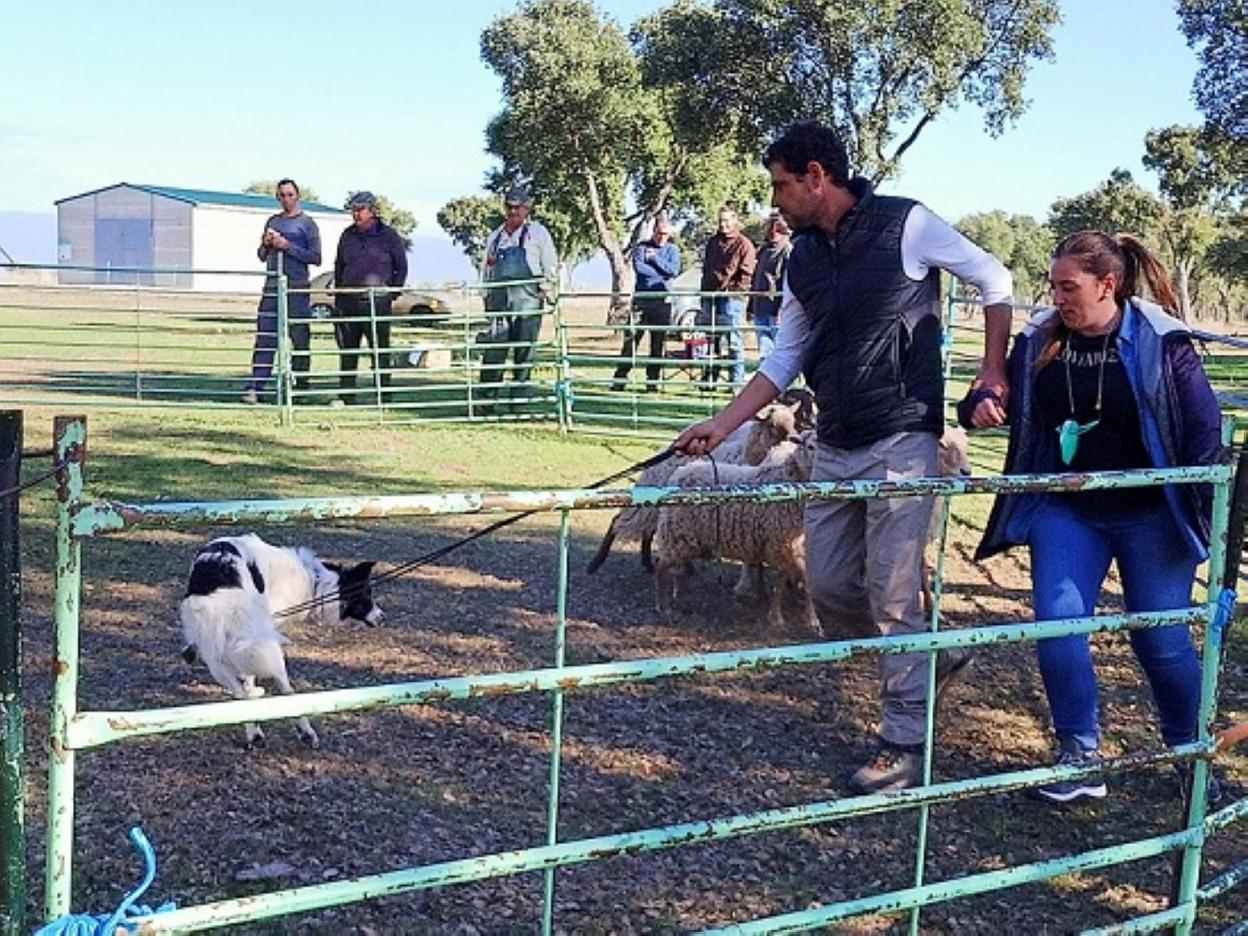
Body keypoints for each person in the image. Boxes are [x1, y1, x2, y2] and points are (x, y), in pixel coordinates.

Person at [673, 121, 1014, 794]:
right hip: (834, 441)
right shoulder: (801, 258)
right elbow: (783, 356)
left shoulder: (905, 225)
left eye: (780, 185)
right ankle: (927, 657)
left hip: (903, 438)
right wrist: (721, 423)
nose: (776, 200)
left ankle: (900, 742)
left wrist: (992, 370)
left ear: (816, 177)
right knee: (828, 584)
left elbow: (994, 277)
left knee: (892, 593)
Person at [959, 231, 1222, 804]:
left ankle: (1191, 755)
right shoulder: (1041, 338)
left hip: (1151, 510)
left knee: (1161, 639)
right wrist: (979, 405)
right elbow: (988, 390)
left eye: (1069, 287)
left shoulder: (1162, 341)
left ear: (1108, 284)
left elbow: (1203, 432)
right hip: (1067, 507)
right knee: (1058, 627)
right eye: (1053, 287)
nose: (1058, 298)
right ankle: (1079, 757)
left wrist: (1208, 511)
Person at [478, 186, 559, 409]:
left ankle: (518, 401)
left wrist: (546, 289)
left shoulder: (538, 233)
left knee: (525, 352)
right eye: (509, 207)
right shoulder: (495, 237)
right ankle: (486, 399)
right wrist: (485, 294)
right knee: (495, 350)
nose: (513, 212)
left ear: (527, 209)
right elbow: (486, 269)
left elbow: (550, 264)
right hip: (500, 300)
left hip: (528, 300)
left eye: (518, 207)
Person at [243, 179, 321, 404]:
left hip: (296, 288)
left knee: (299, 339)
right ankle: (255, 387)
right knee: (265, 339)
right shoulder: (273, 221)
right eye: (282, 195)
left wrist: (287, 246)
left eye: (289, 194)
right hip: (271, 288)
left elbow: (315, 257)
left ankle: (300, 388)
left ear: (297, 196)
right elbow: (260, 255)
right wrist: (267, 244)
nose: (286, 199)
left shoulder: (308, 224)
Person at [332, 191, 408, 404]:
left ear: (372, 211)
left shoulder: (389, 235)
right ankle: (346, 395)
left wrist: (392, 293)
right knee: (348, 350)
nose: (356, 214)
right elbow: (339, 265)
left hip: (377, 300)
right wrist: (339, 293)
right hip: (348, 301)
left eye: (360, 210)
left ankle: (384, 395)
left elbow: (401, 266)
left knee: (379, 350)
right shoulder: (347, 235)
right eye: (353, 210)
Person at [612, 215, 681, 391]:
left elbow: (674, 270)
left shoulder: (672, 250)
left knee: (657, 344)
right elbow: (640, 269)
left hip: (662, 302)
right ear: (654, 231)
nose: (662, 237)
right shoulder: (641, 248)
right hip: (641, 302)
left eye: (665, 234)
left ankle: (652, 382)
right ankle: (620, 378)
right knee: (631, 341)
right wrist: (661, 272)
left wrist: (655, 260)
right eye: (659, 233)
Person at [697, 206, 756, 388]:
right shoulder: (713, 242)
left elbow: (746, 273)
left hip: (731, 298)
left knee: (733, 341)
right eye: (720, 220)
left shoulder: (743, 244)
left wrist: (733, 290)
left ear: (734, 220)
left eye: (726, 221)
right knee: (710, 340)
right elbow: (706, 267)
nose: (723, 224)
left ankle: (735, 382)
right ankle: (709, 379)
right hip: (709, 296)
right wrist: (704, 291)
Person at [747, 211, 792, 361]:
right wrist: (751, 305)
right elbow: (756, 279)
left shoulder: (787, 251)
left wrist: (782, 308)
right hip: (761, 308)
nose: (769, 231)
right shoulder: (764, 251)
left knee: (779, 351)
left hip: (776, 310)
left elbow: (789, 282)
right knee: (765, 352)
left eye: (773, 227)